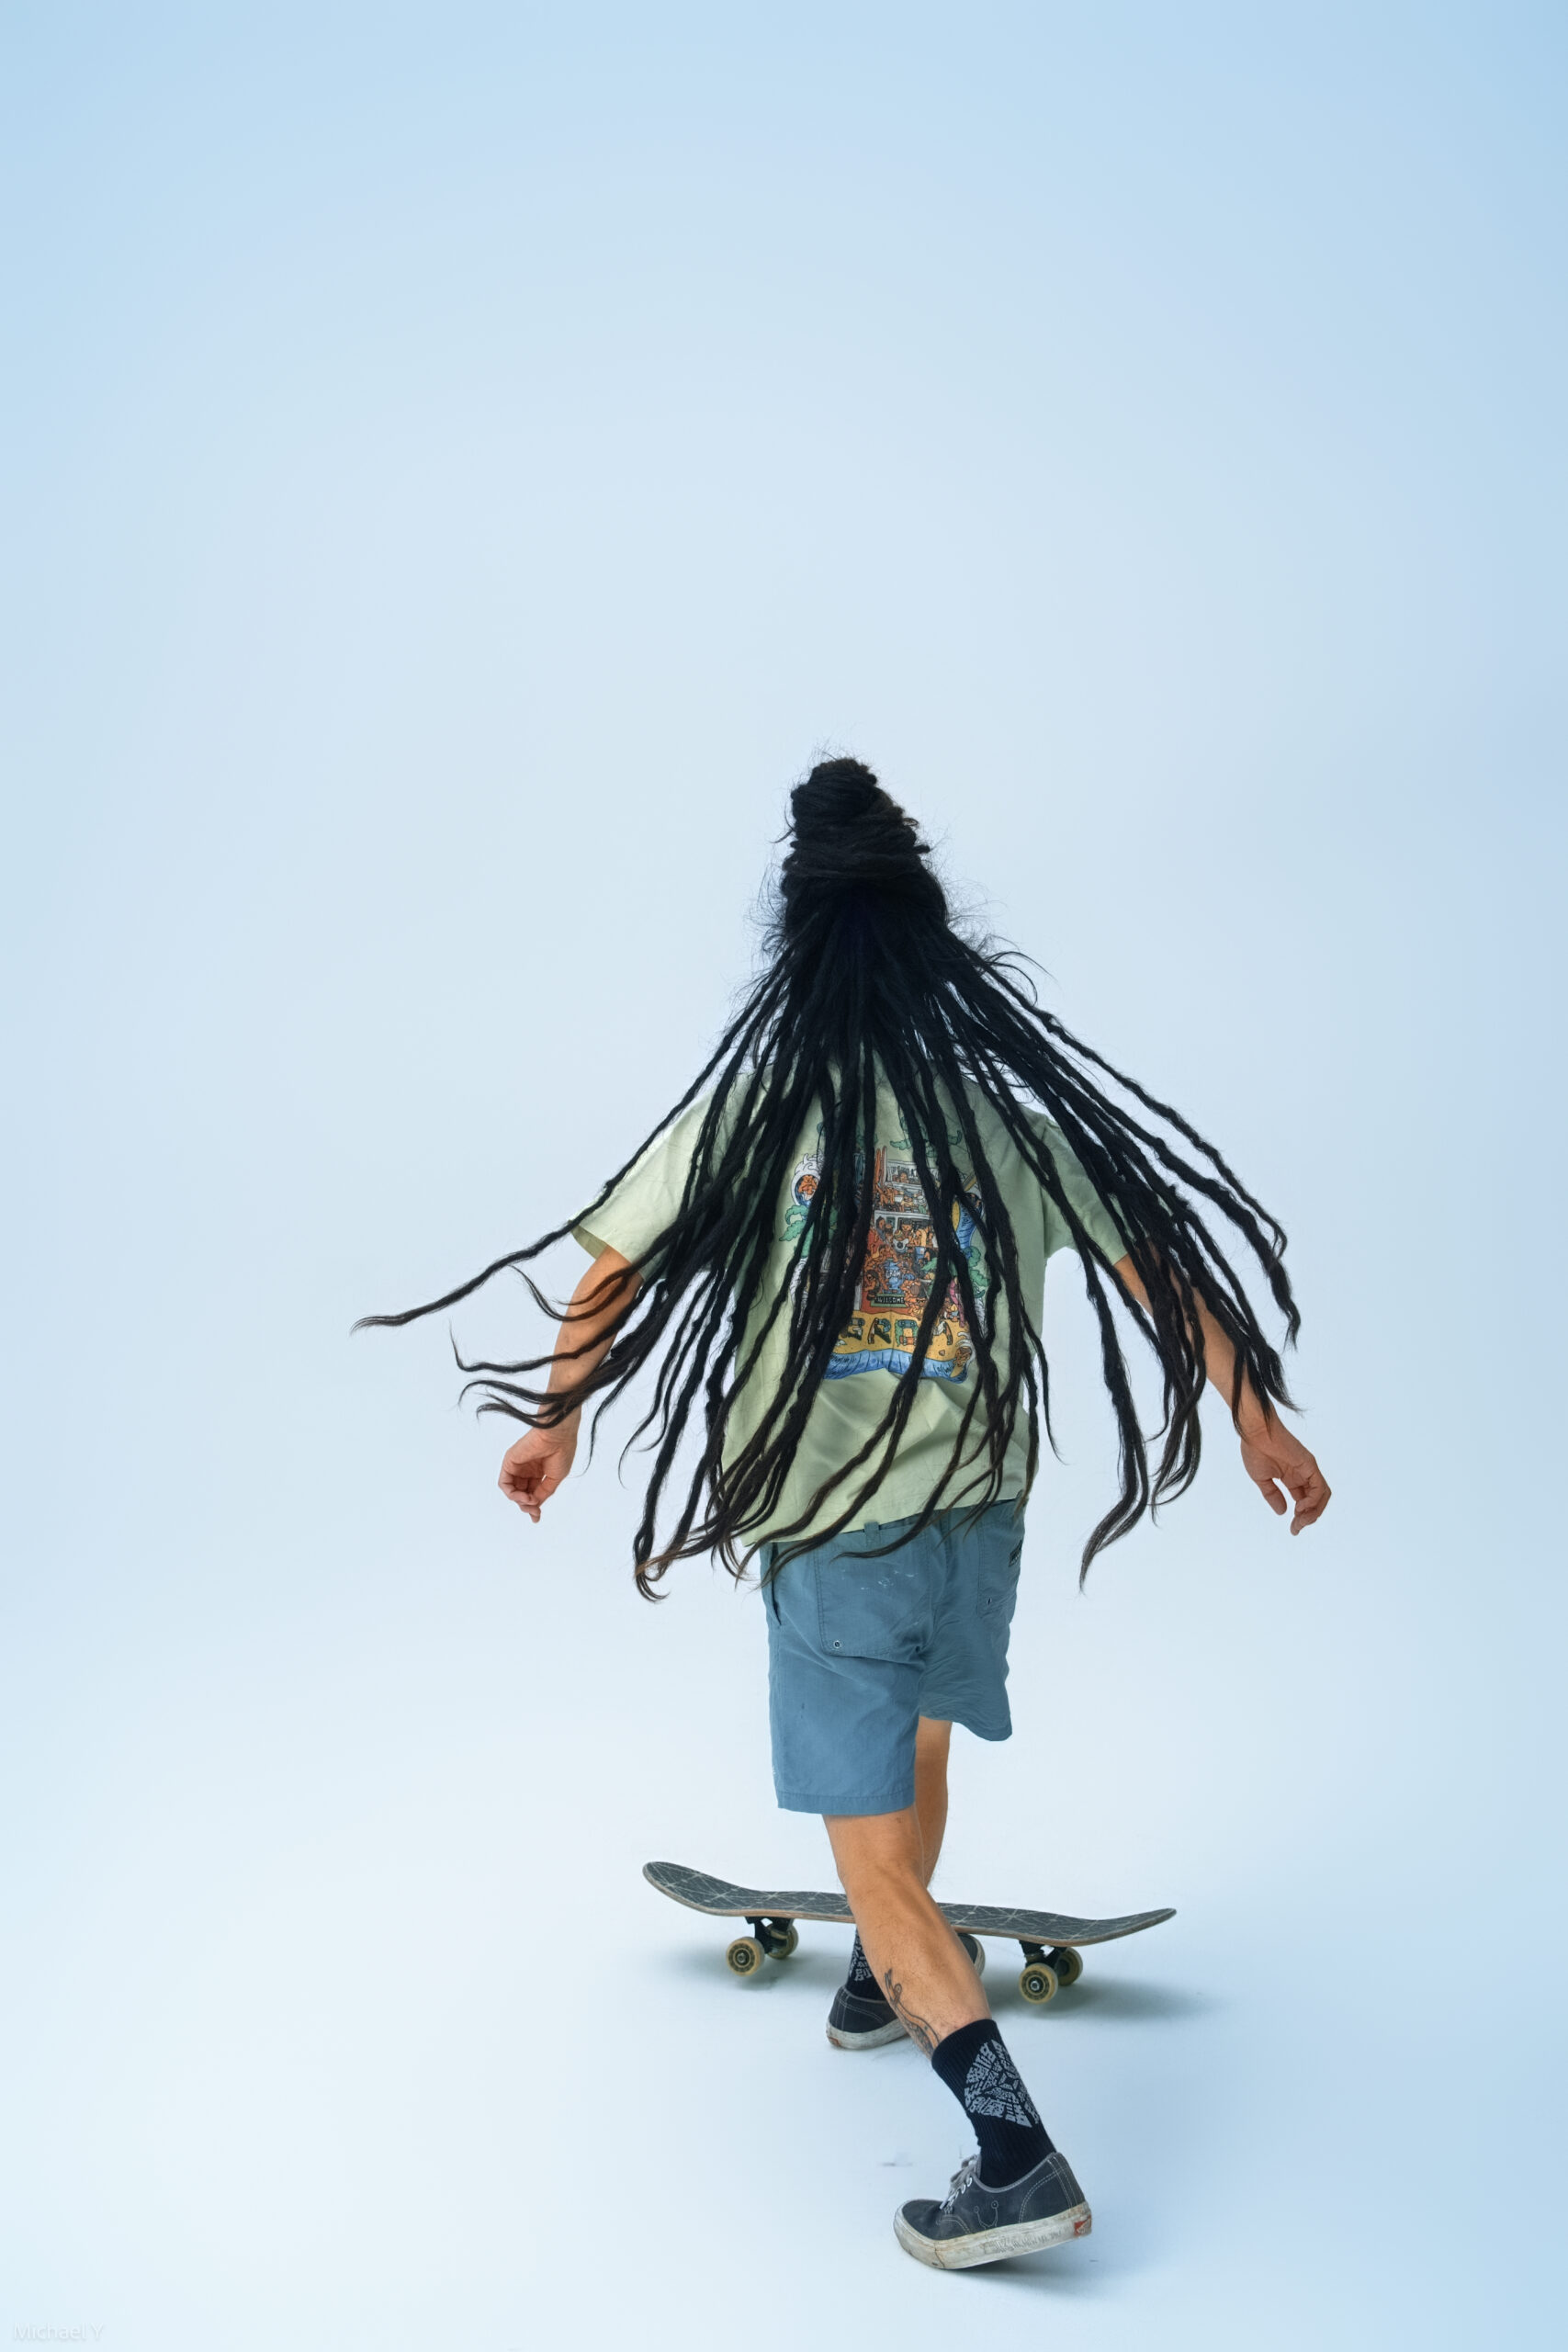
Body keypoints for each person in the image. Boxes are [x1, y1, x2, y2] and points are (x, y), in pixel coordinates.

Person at [361, 759, 1329, 2269]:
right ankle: (893, 1974)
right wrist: (1255, 1413)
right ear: (931, 947)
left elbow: (612, 1268)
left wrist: (554, 1419)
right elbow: (1157, 1265)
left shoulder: (758, 1116)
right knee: (921, 1743)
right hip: (980, 1516)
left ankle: (1012, 2154)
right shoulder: (1003, 1120)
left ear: (796, 953)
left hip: (837, 1529)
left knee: (867, 1859)